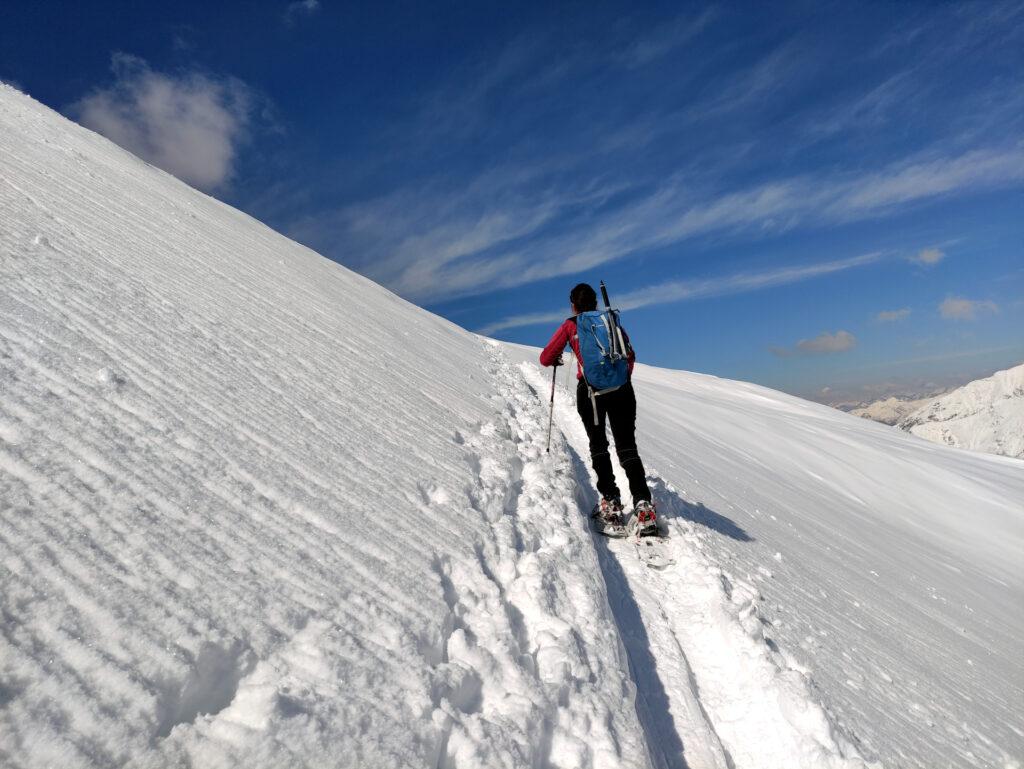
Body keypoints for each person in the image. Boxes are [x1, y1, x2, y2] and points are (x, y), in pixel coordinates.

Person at [539, 283, 658, 537]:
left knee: (599, 446)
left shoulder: (571, 326)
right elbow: (630, 355)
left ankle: (611, 502)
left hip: (591, 394)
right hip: (623, 391)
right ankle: (643, 506)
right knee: (627, 447)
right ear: (595, 302)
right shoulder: (610, 321)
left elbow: (546, 358)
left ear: (573, 305)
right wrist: (619, 380)